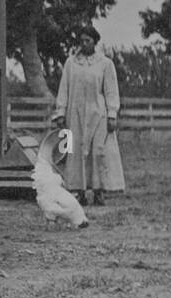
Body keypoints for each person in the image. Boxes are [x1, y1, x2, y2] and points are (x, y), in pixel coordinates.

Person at [51, 25, 125, 205]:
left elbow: (111, 91)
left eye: (88, 41)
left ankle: (99, 191)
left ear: (95, 41)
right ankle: (80, 191)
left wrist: (112, 114)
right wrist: (60, 112)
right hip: (75, 115)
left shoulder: (105, 64)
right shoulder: (71, 64)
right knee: (76, 152)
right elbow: (64, 89)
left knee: (98, 152)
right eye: (81, 41)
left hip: (98, 114)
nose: (84, 44)